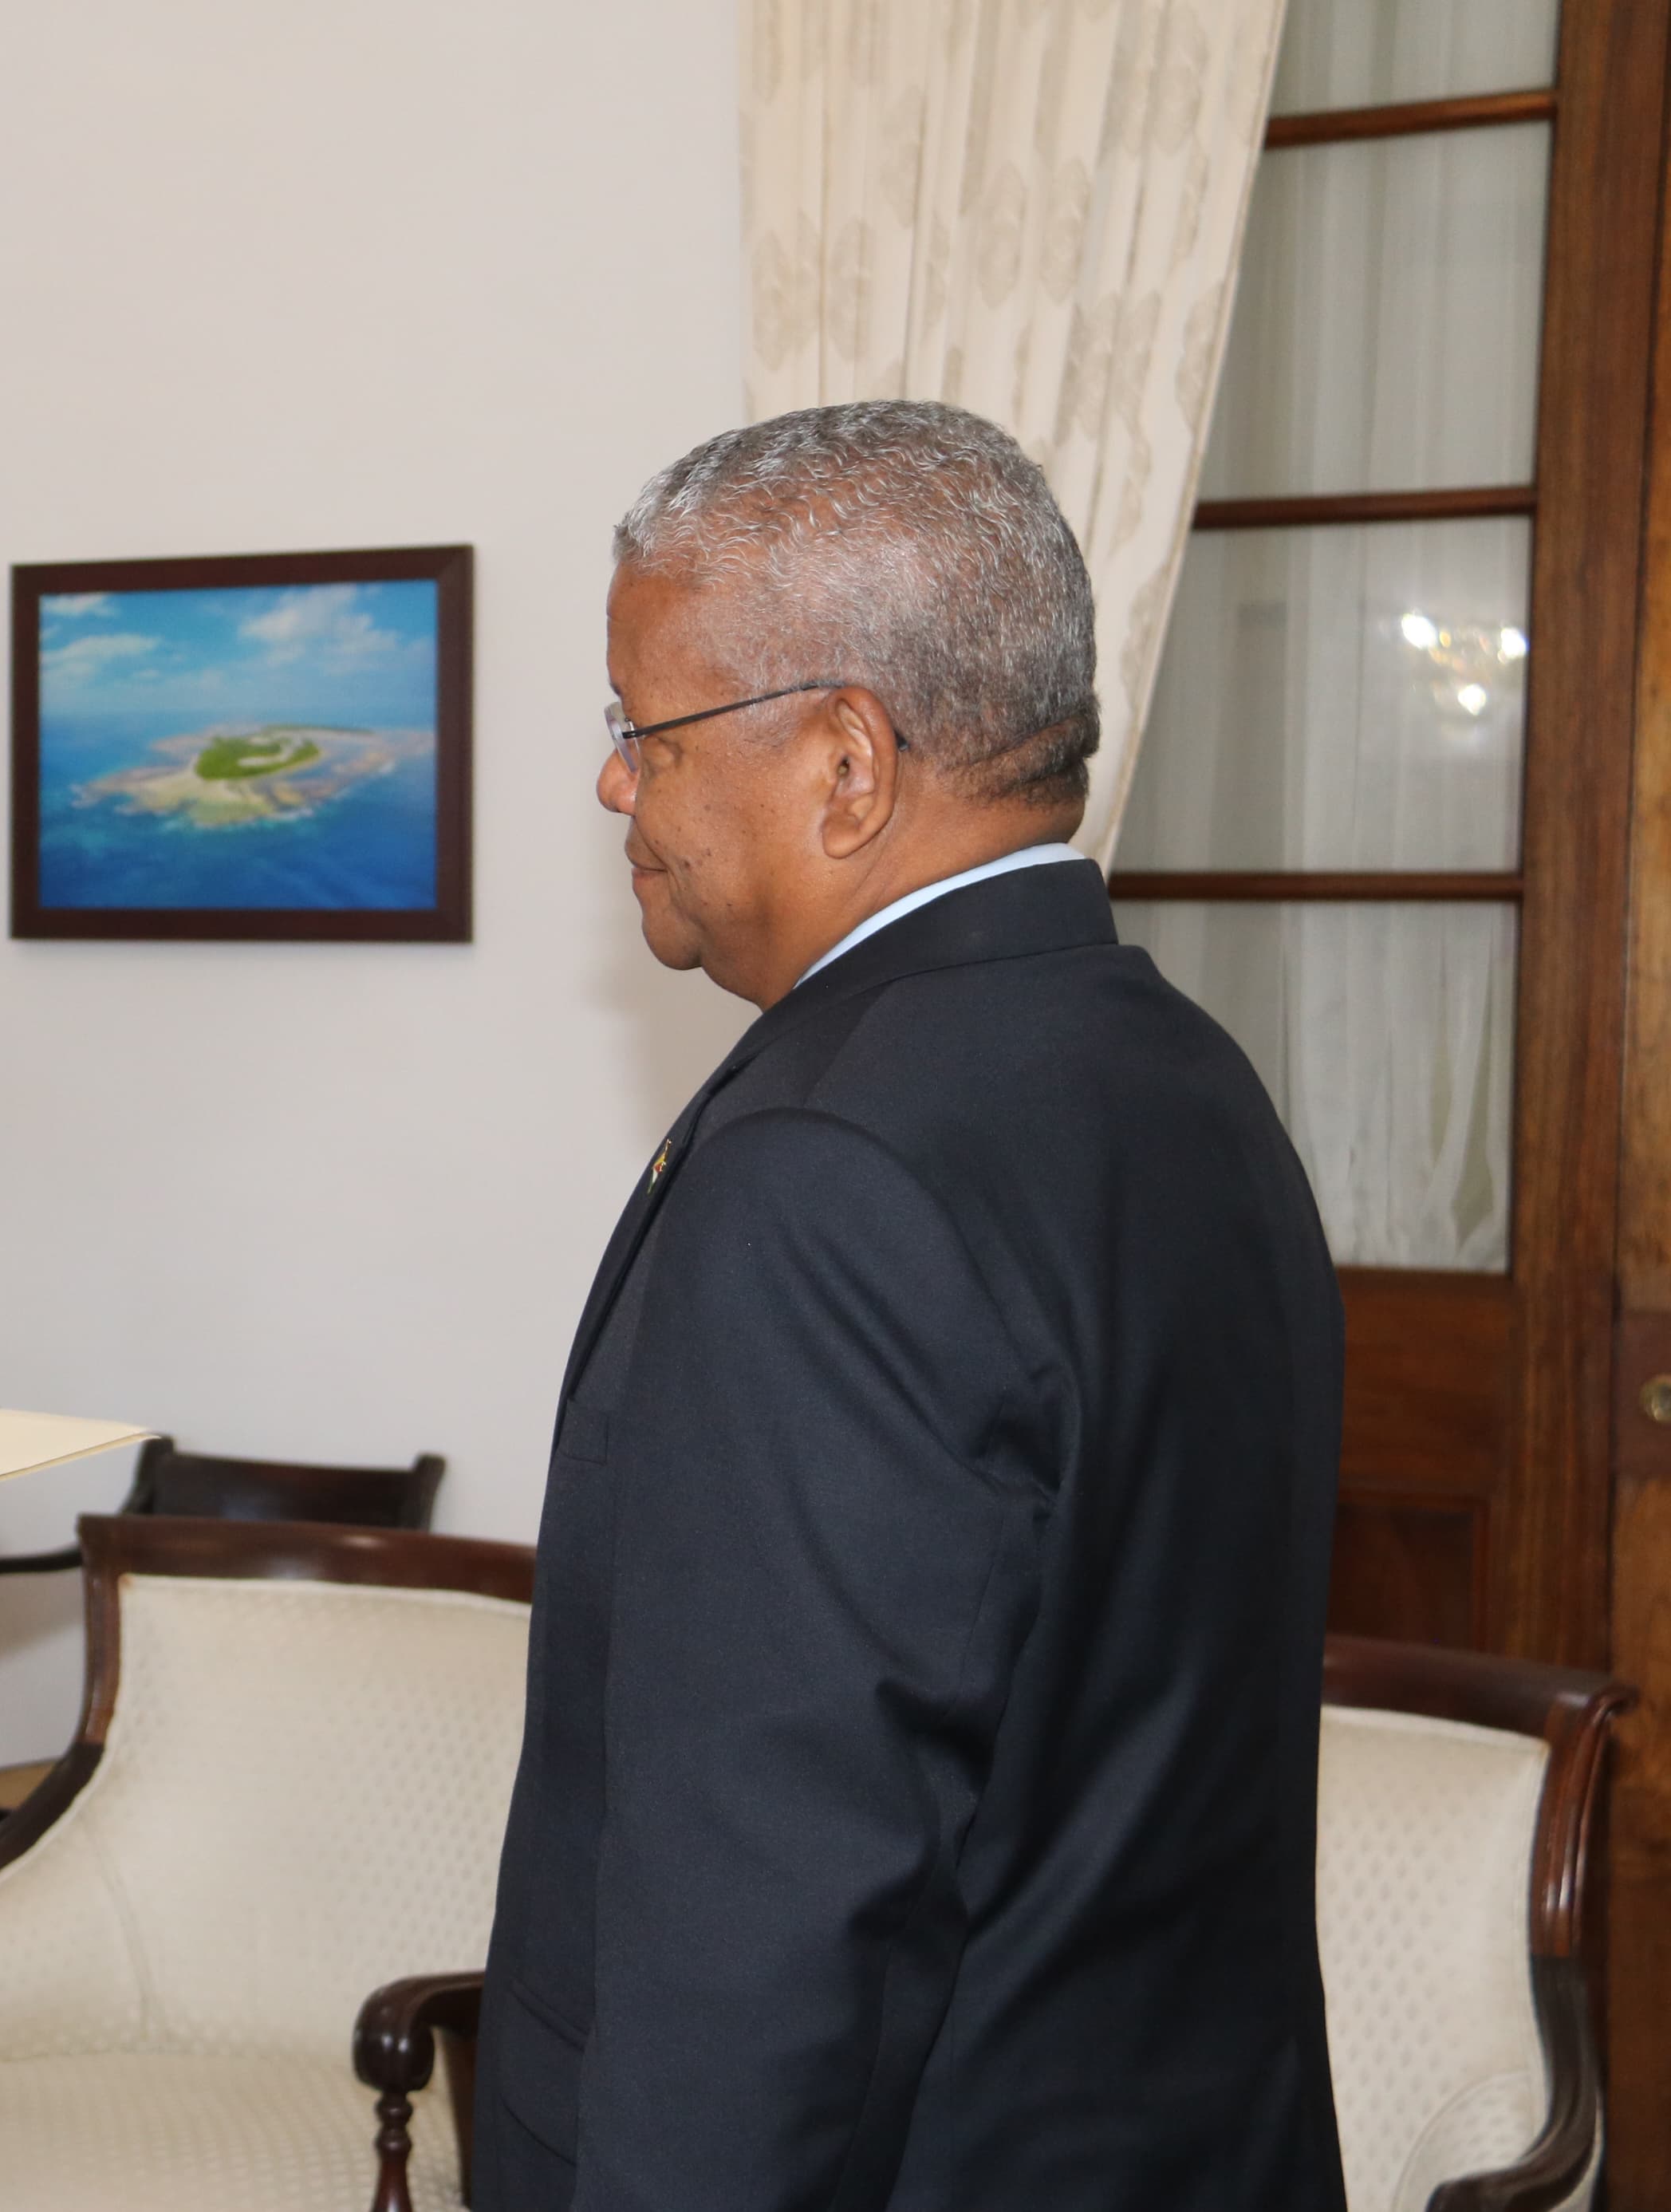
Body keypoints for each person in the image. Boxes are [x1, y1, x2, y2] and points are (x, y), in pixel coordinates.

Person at [475, 401, 1346, 2210]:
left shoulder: (828, 1168)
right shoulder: (1185, 1078)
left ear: (846, 763)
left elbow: (769, 1923)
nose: (616, 788)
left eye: (644, 730)